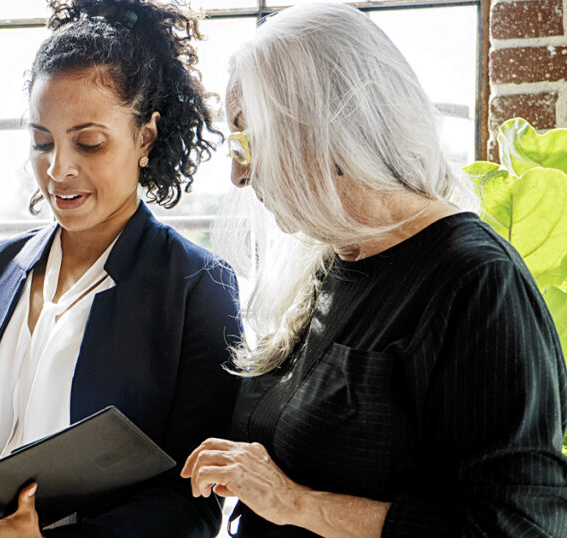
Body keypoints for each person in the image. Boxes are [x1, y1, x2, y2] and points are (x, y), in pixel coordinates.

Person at [182, 3, 567, 536]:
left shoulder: (476, 282)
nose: (237, 175)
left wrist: (299, 504)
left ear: (320, 129)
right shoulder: (333, 260)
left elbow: (520, 525)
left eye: (246, 143)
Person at [0, 1, 242, 536]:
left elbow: (194, 502)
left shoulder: (198, 286)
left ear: (145, 137)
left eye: (89, 142)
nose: (58, 169)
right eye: (41, 141)